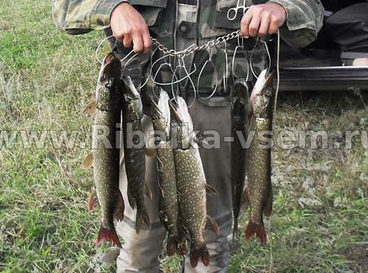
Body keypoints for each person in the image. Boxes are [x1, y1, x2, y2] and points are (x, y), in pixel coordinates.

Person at [53, 0, 324, 272]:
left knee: (210, 236)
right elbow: (65, 7)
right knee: (138, 239)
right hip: (142, 110)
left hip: (222, 110)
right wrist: (113, 8)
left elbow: (311, 11)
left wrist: (281, 8)